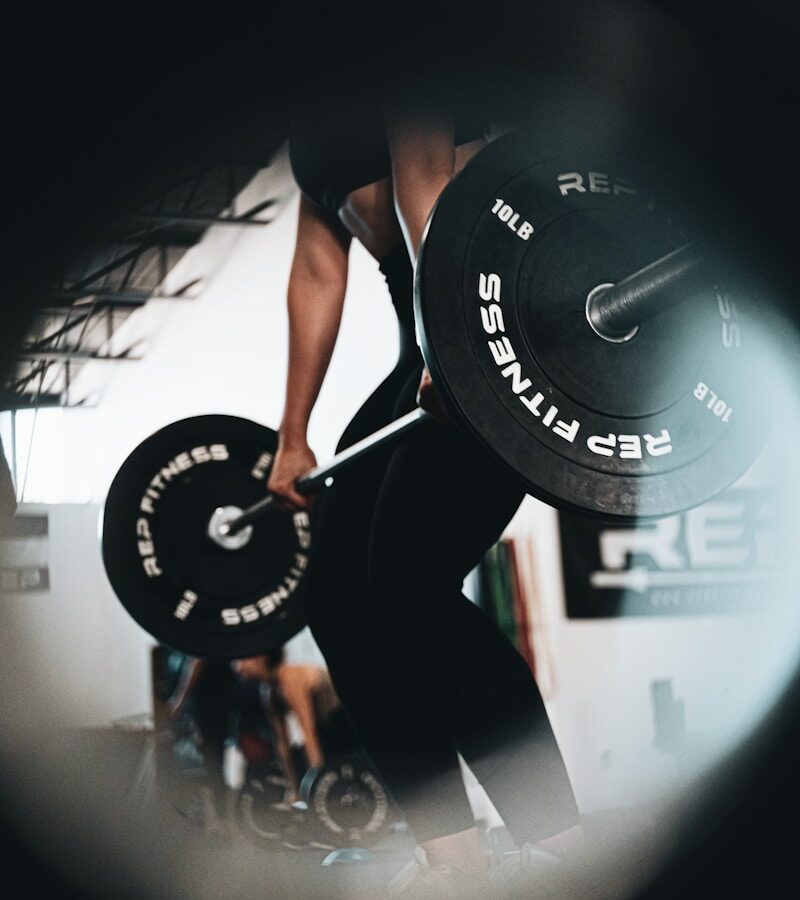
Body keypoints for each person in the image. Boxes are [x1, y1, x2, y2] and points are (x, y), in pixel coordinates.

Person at [267, 89, 581, 892]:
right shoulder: (307, 119)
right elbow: (316, 265)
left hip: (492, 311)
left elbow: (428, 170)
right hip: (425, 338)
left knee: (406, 579)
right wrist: (293, 432)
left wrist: (453, 342)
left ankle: (557, 839)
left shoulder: (396, 39)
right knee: (338, 598)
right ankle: (454, 862)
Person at [232, 649, 354, 804]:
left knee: (317, 751)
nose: (237, 667)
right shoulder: (269, 692)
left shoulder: (290, 677)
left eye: (242, 660)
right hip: (330, 724)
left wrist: (320, 791)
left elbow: (310, 734)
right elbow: (282, 745)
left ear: (260, 658)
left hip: (343, 718)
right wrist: (293, 792)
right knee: (297, 754)